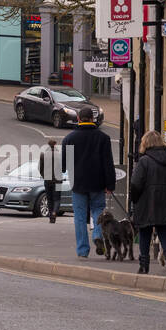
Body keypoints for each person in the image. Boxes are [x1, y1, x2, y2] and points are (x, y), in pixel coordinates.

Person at [61, 102, 115, 258]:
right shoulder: (103, 138)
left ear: (78, 118)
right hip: (98, 184)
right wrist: (110, 185)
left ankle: (83, 251)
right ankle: (97, 235)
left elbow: (64, 165)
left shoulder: (69, 138)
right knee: (98, 211)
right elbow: (108, 163)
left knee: (79, 217)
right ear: (92, 118)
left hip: (78, 184)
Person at [131, 130, 166, 277]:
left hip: (147, 202)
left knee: (145, 233)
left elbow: (135, 184)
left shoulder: (144, 161)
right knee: (165, 234)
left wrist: (135, 200)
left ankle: (144, 267)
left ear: (145, 143)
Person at [38, 138, 63, 223]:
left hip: (47, 180)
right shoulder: (59, 155)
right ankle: (54, 212)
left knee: (49, 198)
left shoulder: (43, 155)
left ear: (48, 145)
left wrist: (44, 176)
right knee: (57, 199)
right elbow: (63, 168)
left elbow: (40, 169)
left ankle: (51, 217)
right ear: (55, 145)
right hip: (58, 181)